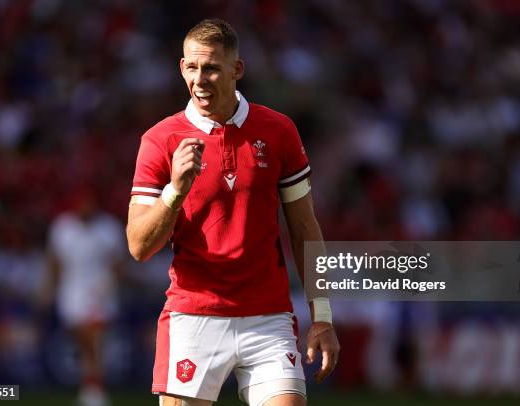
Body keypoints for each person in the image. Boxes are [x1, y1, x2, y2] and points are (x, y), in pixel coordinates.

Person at [126, 19, 339, 406]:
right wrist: (175, 190)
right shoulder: (160, 140)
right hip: (193, 317)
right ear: (181, 68)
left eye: (211, 68)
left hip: (268, 318)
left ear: (237, 70)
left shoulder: (278, 130)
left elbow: (305, 227)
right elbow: (139, 246)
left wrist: (321, 314)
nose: (199, 79)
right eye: (191, 68)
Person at [46, 188, 125, 406]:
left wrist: (110, 283)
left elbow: (119, 262)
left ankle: (95, 390)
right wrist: (48, 288)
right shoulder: (63, 228)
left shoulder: (108, 228)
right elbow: (54, 262)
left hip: (100, 291)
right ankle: (90, 386)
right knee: (82, 342)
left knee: (95, 339)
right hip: (71, 292)